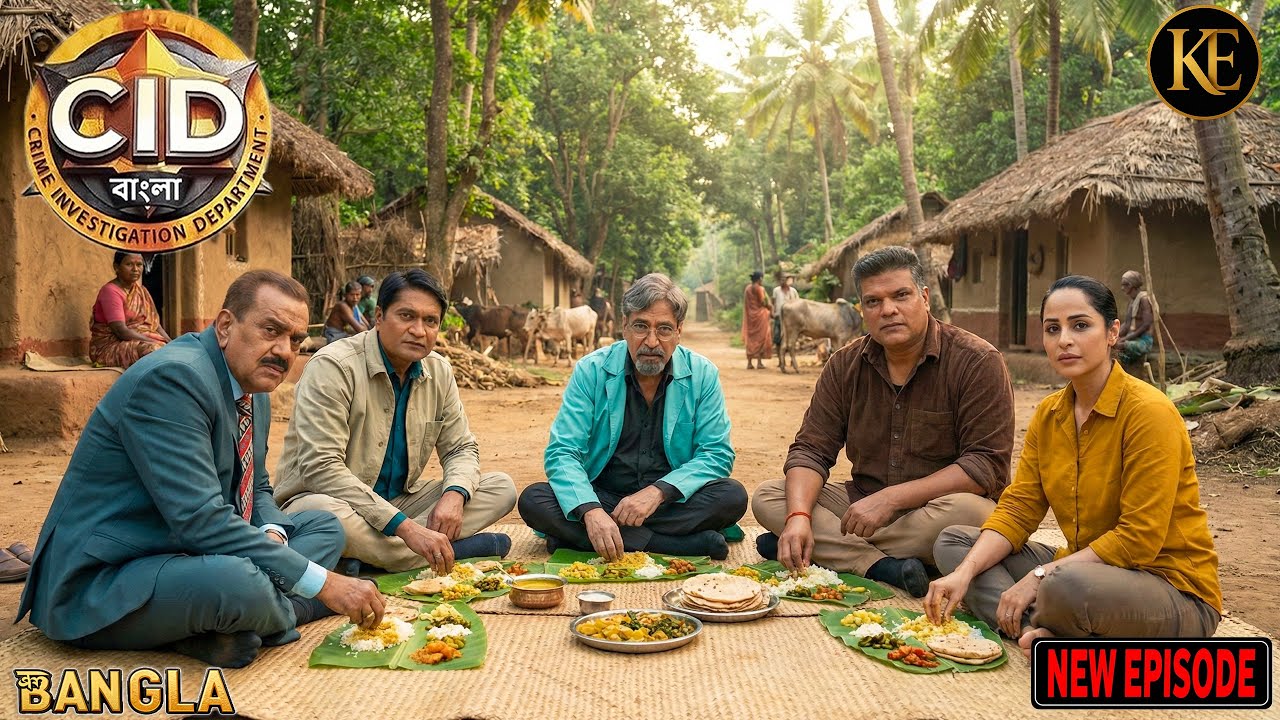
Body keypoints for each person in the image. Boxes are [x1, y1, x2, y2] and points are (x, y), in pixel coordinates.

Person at [18, 271, 385, 668]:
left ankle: (230, 621)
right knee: (238, 583)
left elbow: (258, 485)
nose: (283, 351)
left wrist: (272, 534)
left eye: (295, 340)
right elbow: (201, 520)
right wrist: (323, 585)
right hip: (107, 579)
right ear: (225, 326)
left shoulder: (252, 385)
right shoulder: (173, 379)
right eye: (271, 330)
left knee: (325, 526)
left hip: (190, 554)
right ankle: (297, 610)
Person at [925, 275, 1221, 656]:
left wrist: (1039, 576)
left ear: (1113, 332)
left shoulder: (1149, 413)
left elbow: (1138, 539)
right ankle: (1038, 631)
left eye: (1080, 325)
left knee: (1063, 587)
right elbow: (1019, 508)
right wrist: (964, 573)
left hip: (1170, 588)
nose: (1064, 339)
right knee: (955, 545)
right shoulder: (1050, 414)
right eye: (1053, 329)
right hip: (1083, 570)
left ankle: (1047, 622)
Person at [752, 246, 1013, 597]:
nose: (888, 310)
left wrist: (892, 499)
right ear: (862, 310)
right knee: (769, 496)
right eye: (873, 301)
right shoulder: (844, 365)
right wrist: (799, 517)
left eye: (901, 295)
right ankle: (881, 565)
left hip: (937, 508)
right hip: (861, 503)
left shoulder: (977, 361)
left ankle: (828, 549)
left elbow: (985, 466)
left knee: (975, 514)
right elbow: (811, 450)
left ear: (924, 298)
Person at [276, 269, 516, 574]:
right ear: (379, 317)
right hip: (329, 500)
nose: (418, 330)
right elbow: (321, 468)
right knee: (323, 513)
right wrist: (407, 529)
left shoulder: (439, 371)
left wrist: (455, 494)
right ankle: (451, 551)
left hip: (399, 501)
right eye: (406, 316)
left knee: (501, 488)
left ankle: (369, 555)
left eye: (430, 321)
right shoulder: (334, 366)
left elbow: (460, 448)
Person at [518, 273, 745, 561]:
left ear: (679, 331)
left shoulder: (703, 374)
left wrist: (657, 492)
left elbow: (717, 454)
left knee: (732, 496)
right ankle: (675, 545)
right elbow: (562, 451)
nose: (651, 341)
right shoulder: (591, 370)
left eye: (664, 329)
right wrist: (590, 510)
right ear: (624, 326)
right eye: (641, 326)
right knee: (533, 500)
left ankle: (581, 539)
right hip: (602, 497)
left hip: (668, 503)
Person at [90, 251, 171, 368]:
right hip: (109, 347)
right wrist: (153, 341)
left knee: (177, 348)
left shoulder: (142, 291)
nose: (135, 269)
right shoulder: (110, 291)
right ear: (116, 267)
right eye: (129, 264)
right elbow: (121, 331)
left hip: (139, 340)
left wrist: (169, 341)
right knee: (153, 349)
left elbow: (155, 324)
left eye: (139, 264)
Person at [1116, 270, 1154, 366]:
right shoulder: (1132, 302)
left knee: (1120, 346)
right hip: (1132, 338)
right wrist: (1114, 335)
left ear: (1131, 285)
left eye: (1124, 285)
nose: (1122, 288)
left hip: (1144, 341)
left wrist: (1125, 339)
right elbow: (1127, 325)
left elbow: (1146, 325)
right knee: (1112, 345)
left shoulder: (1144, 300)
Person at [742, 270, 772, 369]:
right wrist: (770, 307)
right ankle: (759, 362)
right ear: (760, 279)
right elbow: (763, 302)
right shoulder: (760, 289)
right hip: (760, 317)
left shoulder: (747, 289)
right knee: (761, 338)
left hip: (750, 318)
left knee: (751, 339)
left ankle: (749, 363)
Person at [771, 273, 799, 350]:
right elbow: (773, 302)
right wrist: (773, 312)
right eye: (781, 280)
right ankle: (779, 356)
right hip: (778, 316)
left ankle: (791, 354)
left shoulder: (793, 291)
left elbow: (797, 303)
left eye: (784, 279)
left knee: (791, 337)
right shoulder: (776, 290)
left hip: (791, 318)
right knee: (777, 337)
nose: (782, 281)